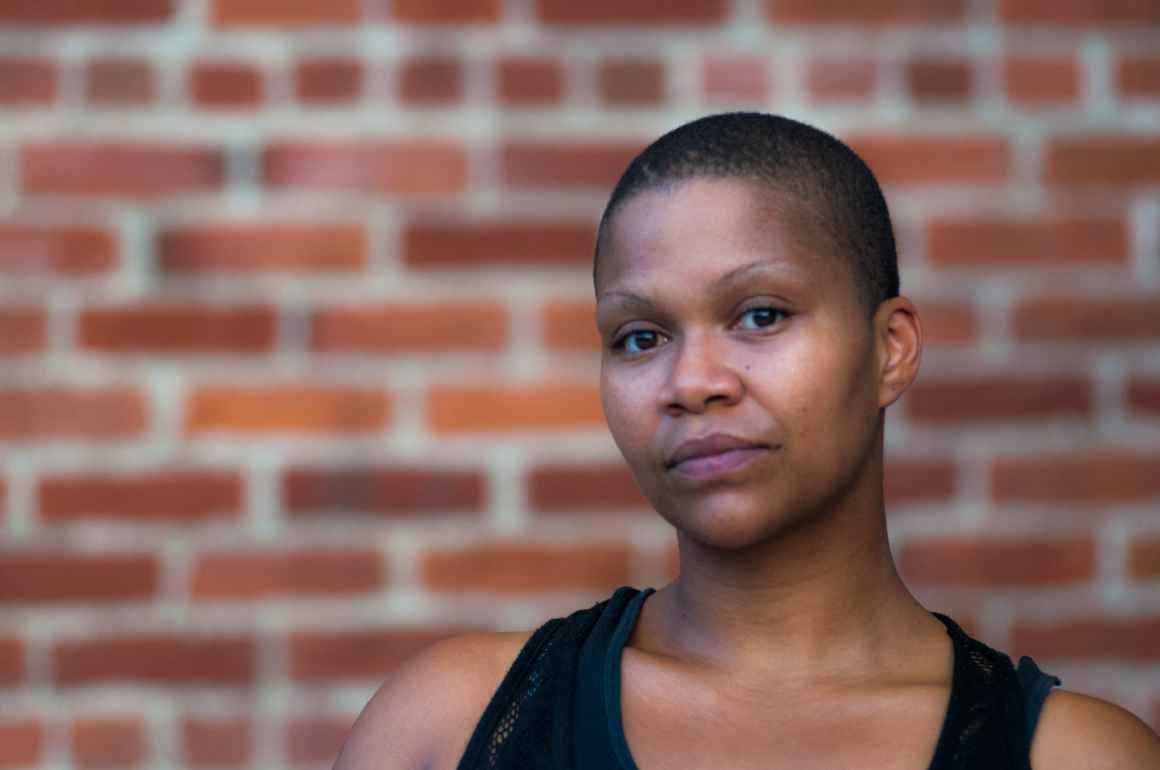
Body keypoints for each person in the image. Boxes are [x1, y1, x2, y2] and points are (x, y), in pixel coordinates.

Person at [333, 113, 1160, 770]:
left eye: (760, 315)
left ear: (890, 349)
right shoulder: (450, 727)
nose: (693, 381)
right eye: (639, 336)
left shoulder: (1075, 756)